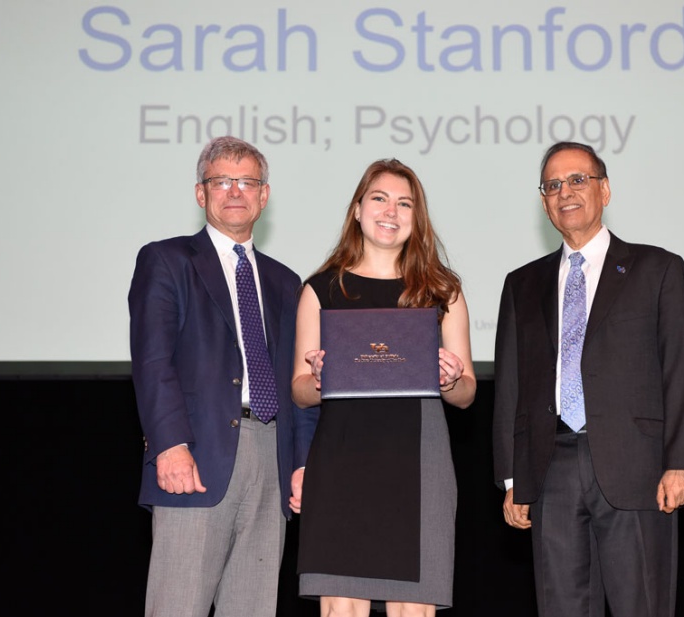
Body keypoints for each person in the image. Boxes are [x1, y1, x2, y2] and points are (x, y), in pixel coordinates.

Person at [492, 141, 684, 617]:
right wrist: (513, 476)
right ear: (544, 201)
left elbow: (683, 368)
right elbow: (511, 386)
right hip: (549, 469)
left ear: (605, 190)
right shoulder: (521, 283)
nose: (564, 192)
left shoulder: (658, 269)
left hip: (639, 469)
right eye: (552, 185)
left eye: (577, 180)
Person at [128, 136, 319, 617]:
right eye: (222, 181)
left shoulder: (286, 281)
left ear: (264, 195)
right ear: (201, 193)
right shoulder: (167, 261)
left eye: (247, 181)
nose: (235, 191)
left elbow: (296, 383)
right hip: (195, 456)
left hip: (271, 463)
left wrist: (300, 462)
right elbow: (153, 362)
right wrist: (170, 444)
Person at [291, 159, 476, 617]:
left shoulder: (442, 291)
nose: (390, 211)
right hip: (342, 460)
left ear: (418, 218)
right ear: (357, 210)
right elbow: (299, 390)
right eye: (379, 198)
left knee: (413, 608)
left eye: (404, 203)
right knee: (342, 606)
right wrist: (319, 378)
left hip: (419, 460)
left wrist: (451, 379)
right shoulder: (320, 290)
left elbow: (467, 392)